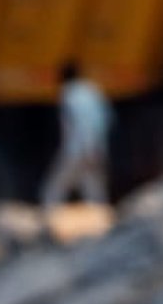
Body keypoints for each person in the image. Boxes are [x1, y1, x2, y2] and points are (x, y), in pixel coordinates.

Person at [41, 60, 113, 208]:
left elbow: (80, 124)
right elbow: (106, 118)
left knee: (53, 189)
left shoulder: (69, 94)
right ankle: (103, 225)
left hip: (77, 150)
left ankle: (50, 221)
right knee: (93, 189)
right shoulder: (92, 91)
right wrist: (97, 147)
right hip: (96, 147)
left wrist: (86, 148)